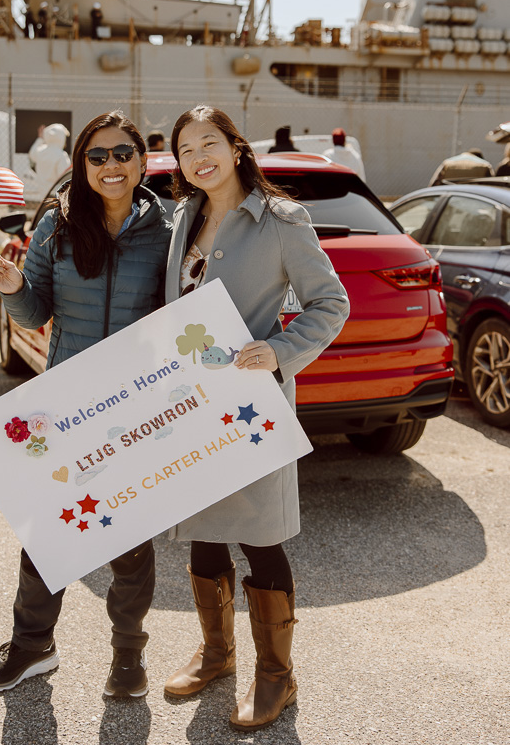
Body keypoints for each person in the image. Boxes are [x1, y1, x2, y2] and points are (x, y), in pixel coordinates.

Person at [163, 104, 349, 729]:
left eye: (208, 143)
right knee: (204, 530)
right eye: (186, 149)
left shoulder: (280, 219)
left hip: (249, 406)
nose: (198, 157)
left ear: (237, 148)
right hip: (191, 408)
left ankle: (277, 674)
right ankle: (217, 653)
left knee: (260, 534)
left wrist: (283, 352)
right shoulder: (181, 218)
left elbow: (331, 302)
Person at [0, 110, 172, 696]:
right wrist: (15, 292)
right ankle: (33, 647)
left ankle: (128, 657)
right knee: (50, 533)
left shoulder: (169, 231)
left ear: (142, 161)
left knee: (130, 541)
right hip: (66, 403)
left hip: (137, 410)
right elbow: (36, 313)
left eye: (121, 154)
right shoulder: (57, 227)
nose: (110, 165)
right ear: (80, 164)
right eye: (97, 155)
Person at [26, 122, 71, 198]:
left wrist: (40, 138)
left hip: (42, 192)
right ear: (61, 138)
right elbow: (65, 176)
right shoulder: (61, 155)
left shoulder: (40, 151)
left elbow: (32, 153)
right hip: (56, 193)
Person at [429, 148, 493, 186]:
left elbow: (435, 182)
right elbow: (492, 185)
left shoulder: (448, 162)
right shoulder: (484, 165)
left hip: (452, 195)